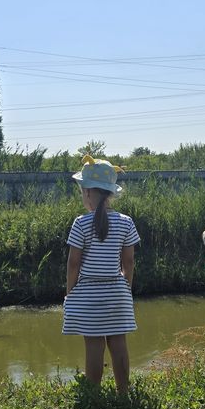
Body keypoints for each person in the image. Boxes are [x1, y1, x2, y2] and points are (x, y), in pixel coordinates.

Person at [63, 155, 140, 395]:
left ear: (86, 193)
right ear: (111, 194)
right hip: (117, 291)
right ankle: (123, 393)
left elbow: (73, 264)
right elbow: (128, 261)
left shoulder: (80, 223)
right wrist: (125, 288)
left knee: (94, 347)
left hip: (88, 293)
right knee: (119, 345)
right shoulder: (126, 223)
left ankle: (93, 395)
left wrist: (70, 293)